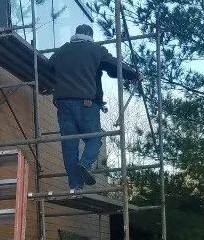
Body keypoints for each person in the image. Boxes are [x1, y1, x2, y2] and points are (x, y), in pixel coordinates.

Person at [46, 24, 138, 190]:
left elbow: (48, 69)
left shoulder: (61, 51)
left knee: (69, 144)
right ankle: (85, 164)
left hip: (63, 103)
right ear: (90, 36)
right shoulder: (96, 49)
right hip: (86, 102)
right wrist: (134, 74)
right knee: (95, 138)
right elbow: (114, 67)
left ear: (76, 34)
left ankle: (75, 186)